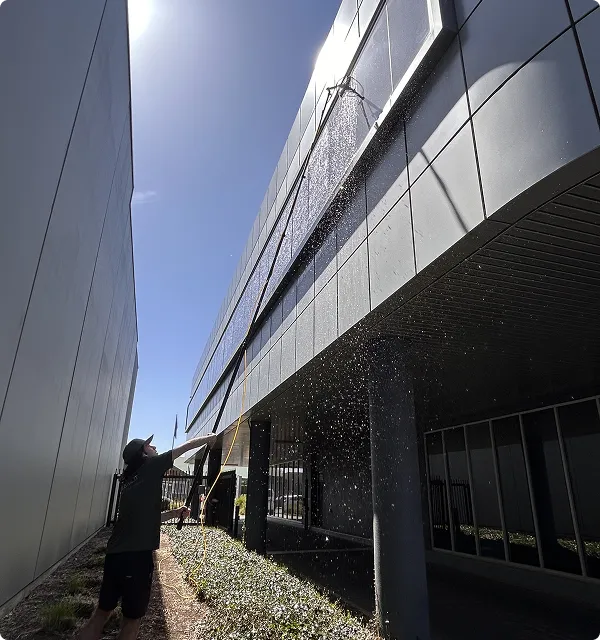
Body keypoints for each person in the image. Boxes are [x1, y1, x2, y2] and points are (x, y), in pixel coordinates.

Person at [76, 432, 216, 640]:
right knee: (132, 621)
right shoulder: (150, 466)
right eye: (149, 446)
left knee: (101, 614)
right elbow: (183, 448)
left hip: (114, 557)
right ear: (143, 454)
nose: (155, 448)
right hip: (136, 559)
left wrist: (174, 513)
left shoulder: (130, 481)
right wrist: (208, 439)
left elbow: (146, 519)